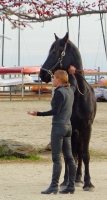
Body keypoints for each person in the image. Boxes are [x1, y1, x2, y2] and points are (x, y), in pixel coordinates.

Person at [27, 66, 76, 195]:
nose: (53, 80)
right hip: (68, 126)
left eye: (54, 77)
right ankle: (71, 185)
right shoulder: (70, 90)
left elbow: (56, 111)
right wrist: (72, 73)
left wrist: (38, 113)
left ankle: (54, 185)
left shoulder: (59, 92)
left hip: (58, 127)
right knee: (69, 157)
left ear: (58, 79)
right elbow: (74, 84)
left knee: (56, 158)